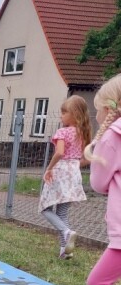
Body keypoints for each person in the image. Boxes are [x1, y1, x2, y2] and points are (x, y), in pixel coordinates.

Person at [81, 75, 121, 285]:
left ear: (108, 109)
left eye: (97, 110)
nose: (95, 116)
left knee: (98, 282)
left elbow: (97, 182)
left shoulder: (112, 137)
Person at [39, 96, 91, 259]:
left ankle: (66, 232)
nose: (61, 116)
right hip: (74, 174)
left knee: (45, 208)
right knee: (62, 213)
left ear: (74, 114)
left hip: (59, 172)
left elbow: (60, 153)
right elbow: (87, 159)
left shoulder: (62, 132)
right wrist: (73, 166)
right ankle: (65, 250)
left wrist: (49, 168)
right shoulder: (83, 134)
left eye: (64, 112)